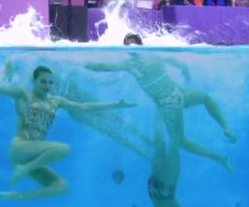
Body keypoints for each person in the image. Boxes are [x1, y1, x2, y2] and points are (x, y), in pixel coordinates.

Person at [0, 52, 135, 200]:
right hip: (20, 147)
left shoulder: (55, 101)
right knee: (63, 149)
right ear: (34, 81)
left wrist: (115, 104)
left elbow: (84, 106)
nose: (47, 85)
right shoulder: (24, 94)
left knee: (62, 187)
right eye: (43, 81)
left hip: (33, 157)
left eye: (50, 82)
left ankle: (17, 196)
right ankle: (24, 170)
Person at [86, 38, 236, 172]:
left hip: (169, 104)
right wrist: (186, 77)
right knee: (204, 97)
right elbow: (182, 66)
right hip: (178, 92)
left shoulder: (130, 64)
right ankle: (226, 127)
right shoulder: (155, 55)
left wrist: (82, 63)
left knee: (181, 142)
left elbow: (103, 67)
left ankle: (219, 158)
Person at [147, 112, 210, 207]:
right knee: (160, 146)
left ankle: (171, 115)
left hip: (166, 192)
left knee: (174, 148)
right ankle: (158, 115)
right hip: (154, 192)